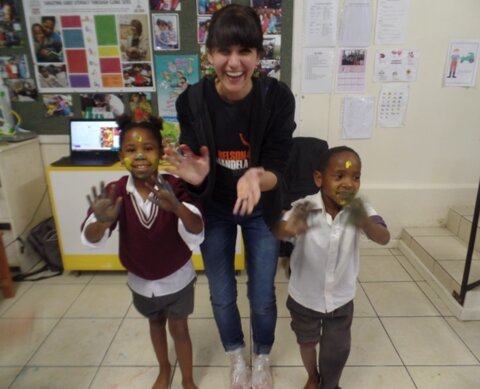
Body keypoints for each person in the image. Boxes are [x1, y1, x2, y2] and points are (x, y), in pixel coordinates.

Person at [163, 4, 296, 389]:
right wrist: (198, 177)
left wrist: (259, 176)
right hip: (217, 209)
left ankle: (262, 356)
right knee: (221, 293)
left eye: (245, 52)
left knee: (262, 294)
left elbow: (278, 165)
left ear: (258, 55)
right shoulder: (192, 100)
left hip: (261, 209)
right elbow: (193, 162)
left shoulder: (276, 99)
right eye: (224, 51)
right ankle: (236, 355)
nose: (234, 63)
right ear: (210, 55)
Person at [81, 114, 204, 389]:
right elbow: (89, 235)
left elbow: (196, 228)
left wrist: (177, 208)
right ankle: (164, 368)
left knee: (180, 329)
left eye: (147, 148)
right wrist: (101, 222)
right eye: (131, 149)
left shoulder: (174, 187)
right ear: (120, 154)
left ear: (160, 152)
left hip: (177, 279)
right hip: (141, 280)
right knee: (155, 324)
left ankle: (187, 378)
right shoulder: (114, 192)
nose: (139, 156)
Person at [275, 146, 390, 389]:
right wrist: (289, 227)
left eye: (355, 177)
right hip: (305, 296)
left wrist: (365, 223)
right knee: (307, 342)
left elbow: (384, 237)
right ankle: (313, 376)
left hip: (340, 297)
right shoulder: (305, 208)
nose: (348, 184)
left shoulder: (360, 209)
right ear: (319, 178)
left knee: (337, 349)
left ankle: (330, 383)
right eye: (339, 176)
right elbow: (281, 231)